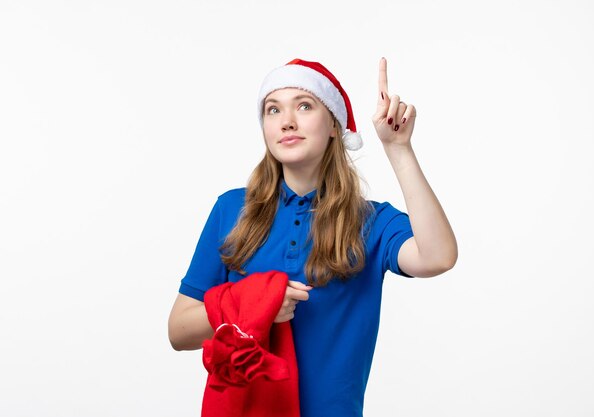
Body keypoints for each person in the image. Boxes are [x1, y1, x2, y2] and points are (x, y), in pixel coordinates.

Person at [168, 57, 458, 417]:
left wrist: (398, 149)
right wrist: (253, 304)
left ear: (334, 126)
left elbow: (438, 257)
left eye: (304, 106)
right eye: (273, 110)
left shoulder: (371, 221)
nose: (286, 120)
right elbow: (179, 331)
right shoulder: (231, 210)